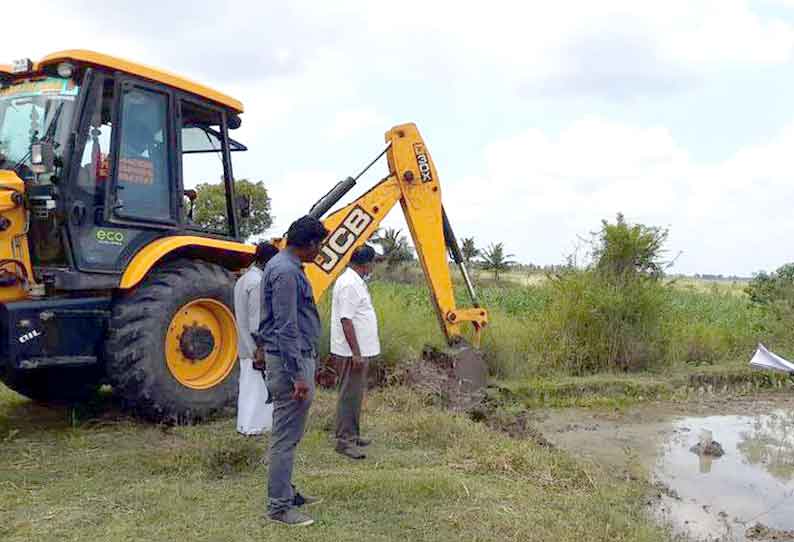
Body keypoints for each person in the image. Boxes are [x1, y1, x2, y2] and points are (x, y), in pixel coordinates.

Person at [254, 215, 329, 527]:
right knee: (285, 437)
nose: (320, 251)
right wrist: (298, 374)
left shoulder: (284, 266)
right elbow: (286, 327)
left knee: (290, 434)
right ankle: (279, 507)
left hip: (292, 360)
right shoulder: (286, 272)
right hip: (290, 364)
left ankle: (287, 491)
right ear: (309, 244)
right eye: (319, 245)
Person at [330, 245, 380, 460]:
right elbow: (346, 320)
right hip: (352, 352)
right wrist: (356, 353)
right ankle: (345, 441)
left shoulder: (354, 281)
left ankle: (353, 434)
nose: (374, 267)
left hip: (357, 350)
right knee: (349, 395)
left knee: (355, 394)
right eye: (373, 263)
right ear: (366, 264)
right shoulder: (350, 284)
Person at [234, 242, 279, 436]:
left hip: (244, 343)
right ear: (268, 261)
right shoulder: (258, 283)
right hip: (254, 346)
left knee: (247, 388)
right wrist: (260, 349)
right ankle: (255, 428)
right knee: (257, 389)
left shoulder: (243, 279)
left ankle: (245, 426)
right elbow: (257, 321)